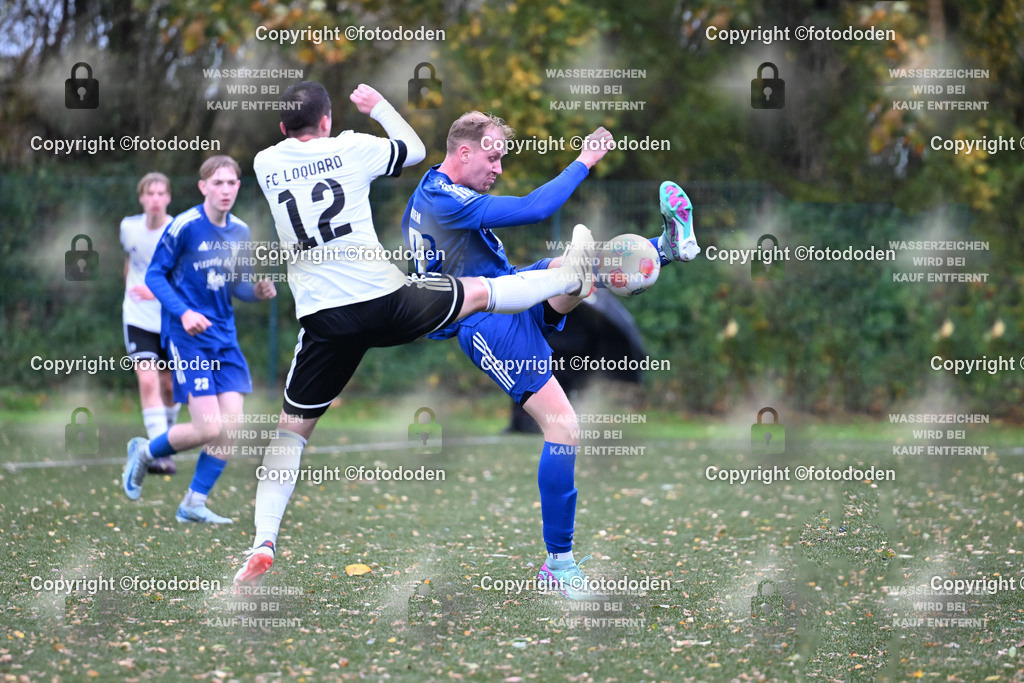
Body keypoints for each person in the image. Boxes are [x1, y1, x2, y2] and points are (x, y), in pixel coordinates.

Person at [233, 81, 597, 587]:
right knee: (474, 292)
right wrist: (378, 105)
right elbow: (416, 149)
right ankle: (563, 278)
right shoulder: (352, 147)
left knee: (290, 434)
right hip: (383, 301)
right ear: (327, 122)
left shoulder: (265, 163)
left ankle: (263, 540)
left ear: (281, 128)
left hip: (322, 319)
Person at [400, 111, 700, 599]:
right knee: (562, 427)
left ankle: (665, 247)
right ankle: (558, 566)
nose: (497, 168)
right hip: (484, 320)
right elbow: (535, 207)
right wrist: (585, 160)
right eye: (492, 158)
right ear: (464, 152)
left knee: (571, 266)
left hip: (503, 289)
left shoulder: (433, 192)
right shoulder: (442, 199)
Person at [121, 155, 277, 524]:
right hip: (188, 337)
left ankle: (193, 501)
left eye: (231, 183)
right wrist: (185, 312)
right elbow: (155, 277)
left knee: (231, 427)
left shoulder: (239, 231)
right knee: (208, 427)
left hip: (224, 337)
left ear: (239, 187)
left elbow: (238, 285)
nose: (225, 190)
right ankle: (145, 452)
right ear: (203, 187)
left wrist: (257, 290)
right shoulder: (186, 226)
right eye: (217, 183)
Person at [120, 172, 180, 474]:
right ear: (141, 197)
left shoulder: (177, 230)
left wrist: (156, 289)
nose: (155, 199)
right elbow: (130, 263)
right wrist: (131, 295)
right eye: (149, 193)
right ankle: (160, 452)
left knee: (169, 385)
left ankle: (166, 441)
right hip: (137, 317)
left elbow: (184, 277)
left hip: (169, 319)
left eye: (161, 193)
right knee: (147, 379)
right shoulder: (128, 228)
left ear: (168, 197)